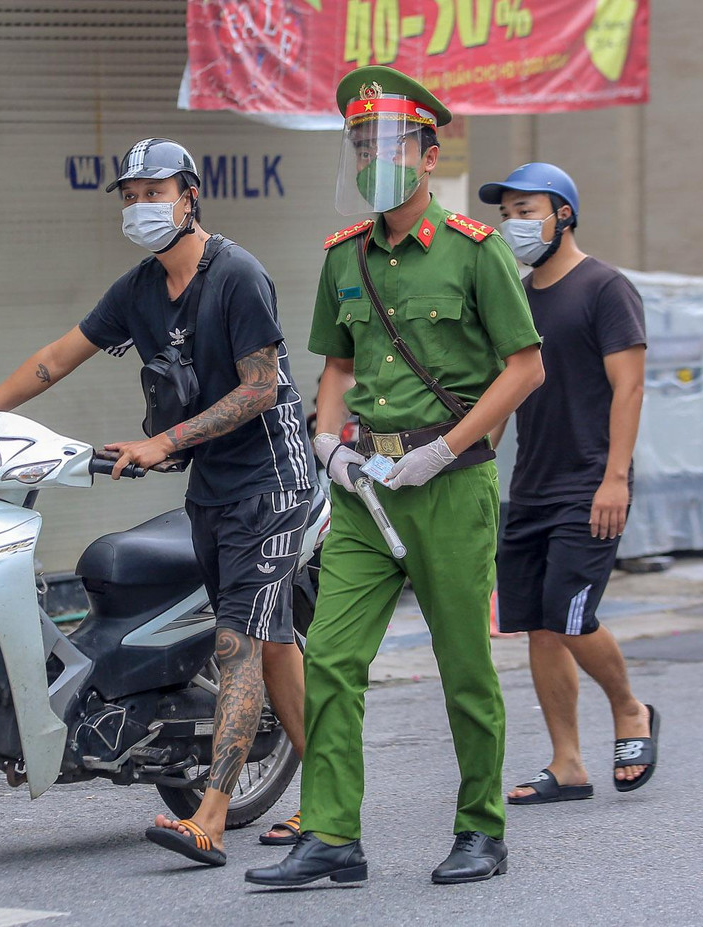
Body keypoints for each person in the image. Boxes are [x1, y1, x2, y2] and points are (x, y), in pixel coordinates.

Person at [0, 138, 314, 867]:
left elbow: (262, 388)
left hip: (274, 480)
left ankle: (212, 818)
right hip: (213, 486)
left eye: (154, 192)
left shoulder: (238, 276)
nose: (140, 207)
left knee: (238, 642)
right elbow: (52, 360)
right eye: (129, 196)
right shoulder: (138, 290)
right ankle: (330, 790)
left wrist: (166, 441)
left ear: (190, 195)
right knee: (271, 638)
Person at [245, 66, 544, 890]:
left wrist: (447, 448)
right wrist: (326, 441)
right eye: (361, 143)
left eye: (388, 142)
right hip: (363, 484)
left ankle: (481, 826)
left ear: (426, 151)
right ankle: (333, 834)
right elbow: (335, 364)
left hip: (447, 482)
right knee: (334, 655)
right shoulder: (347, 256)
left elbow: (524, 368)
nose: (374, 156)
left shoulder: (474, 253)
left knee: (463, 664)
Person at [476, 162, 659, 806]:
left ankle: (630, 708)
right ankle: (568, 764)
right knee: (539, 626)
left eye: (528, 211)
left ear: (564, 215)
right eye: (509, 213)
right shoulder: (518, 296)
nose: (515, 224)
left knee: (572, 615)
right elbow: (505, 388)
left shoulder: (606, 288)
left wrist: (615, 478)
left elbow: (628, 387)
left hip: (590, 481)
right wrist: (474, 461)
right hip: (530, 484)